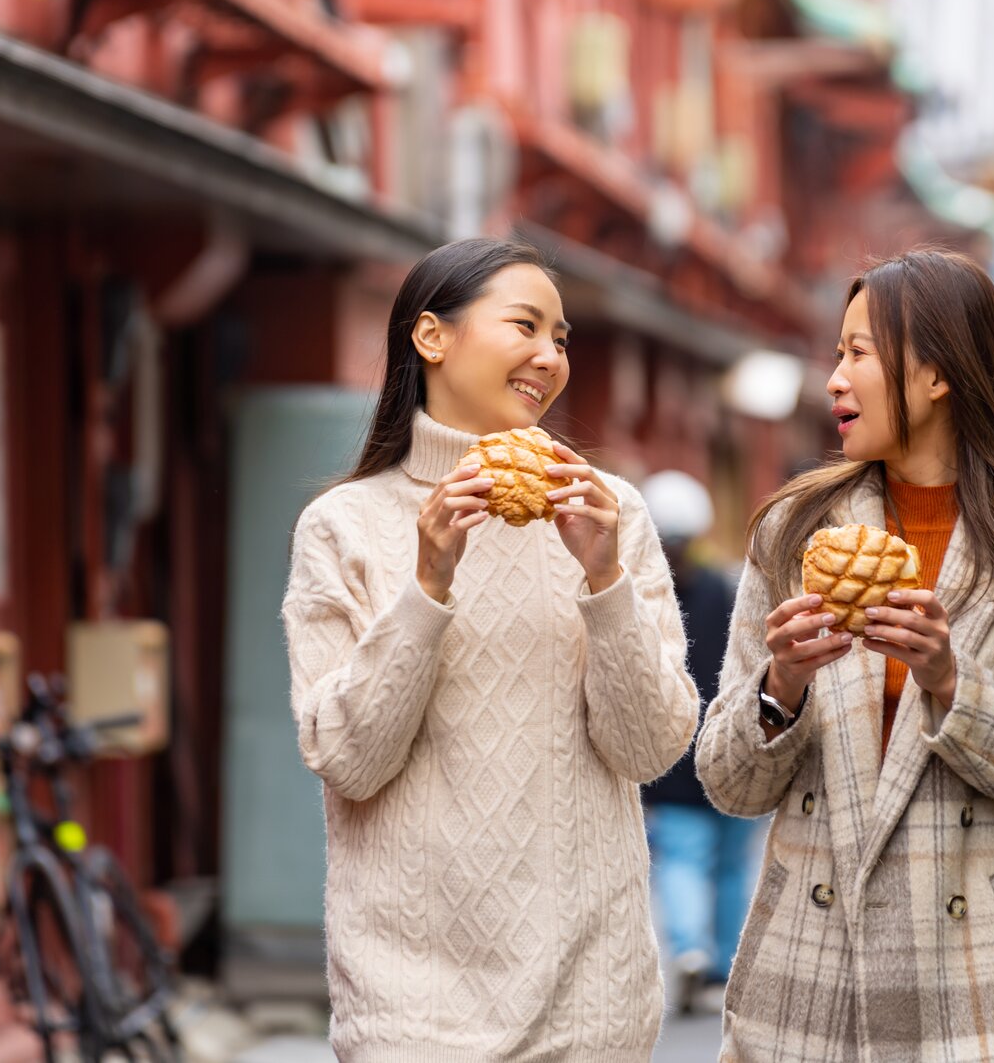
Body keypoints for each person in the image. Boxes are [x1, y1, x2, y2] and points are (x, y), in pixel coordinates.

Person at [694, 249, 994, 1063]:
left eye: (858, 353)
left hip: (985, 994)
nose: (834, 379)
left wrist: (954, 683)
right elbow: (728, 780)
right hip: (810, 989)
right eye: (837, 353)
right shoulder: (791, 534)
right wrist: (779, 682)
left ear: (936, 373)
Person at [280, 238, 699, 1061]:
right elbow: (348, 759)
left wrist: (604, 577)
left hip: (593, 1006)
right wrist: (427, 584)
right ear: (431, 337)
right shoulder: (343, 526)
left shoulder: (611, 512)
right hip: (412, 1014)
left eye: (563, 337)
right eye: (526, 326)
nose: (550, 357)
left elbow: (649, 747)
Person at [639, 469, 761, 1016]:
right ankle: (719, 967)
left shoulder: (643, 598)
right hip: (737, 754)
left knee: (684, 861)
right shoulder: (731, 593)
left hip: (674, 763)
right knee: (731, 867)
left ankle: (690, 946)